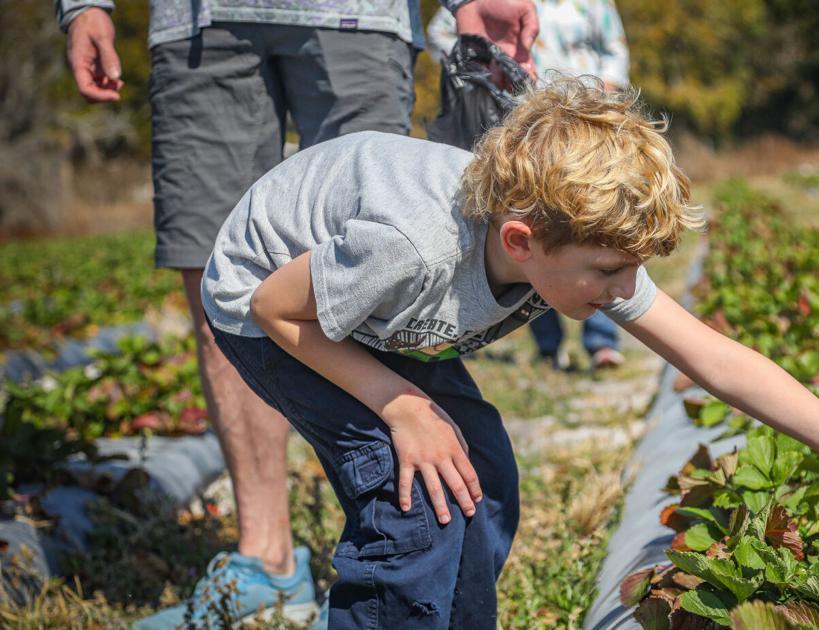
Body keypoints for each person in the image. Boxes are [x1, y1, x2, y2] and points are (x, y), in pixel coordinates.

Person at [199, 78, 819, 628]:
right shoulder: (414, 244)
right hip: (268, 305)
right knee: (416, 500)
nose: (624, 289)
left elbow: (716, 360)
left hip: (367, 312)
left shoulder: (568, 248)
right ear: (521, 243)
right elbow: (273, 306)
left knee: (481, 472)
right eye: (608, 271)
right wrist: (400, 405)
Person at [56, 0, 537, 626]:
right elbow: (257, 302)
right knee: (226, 271)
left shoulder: (422, 237)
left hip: (358, 17)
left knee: (376, 266)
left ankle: (411, 568)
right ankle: (268, 557)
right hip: (203, 23)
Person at [428, 0, 631, 370]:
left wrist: (606, 91)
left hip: (586, 134)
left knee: (598, 238)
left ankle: (601, 341)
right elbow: (442, 31)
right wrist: (485, 67)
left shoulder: (593, 3)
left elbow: (614, 49)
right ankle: (548, 343)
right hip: (523, 130)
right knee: (537, 235)